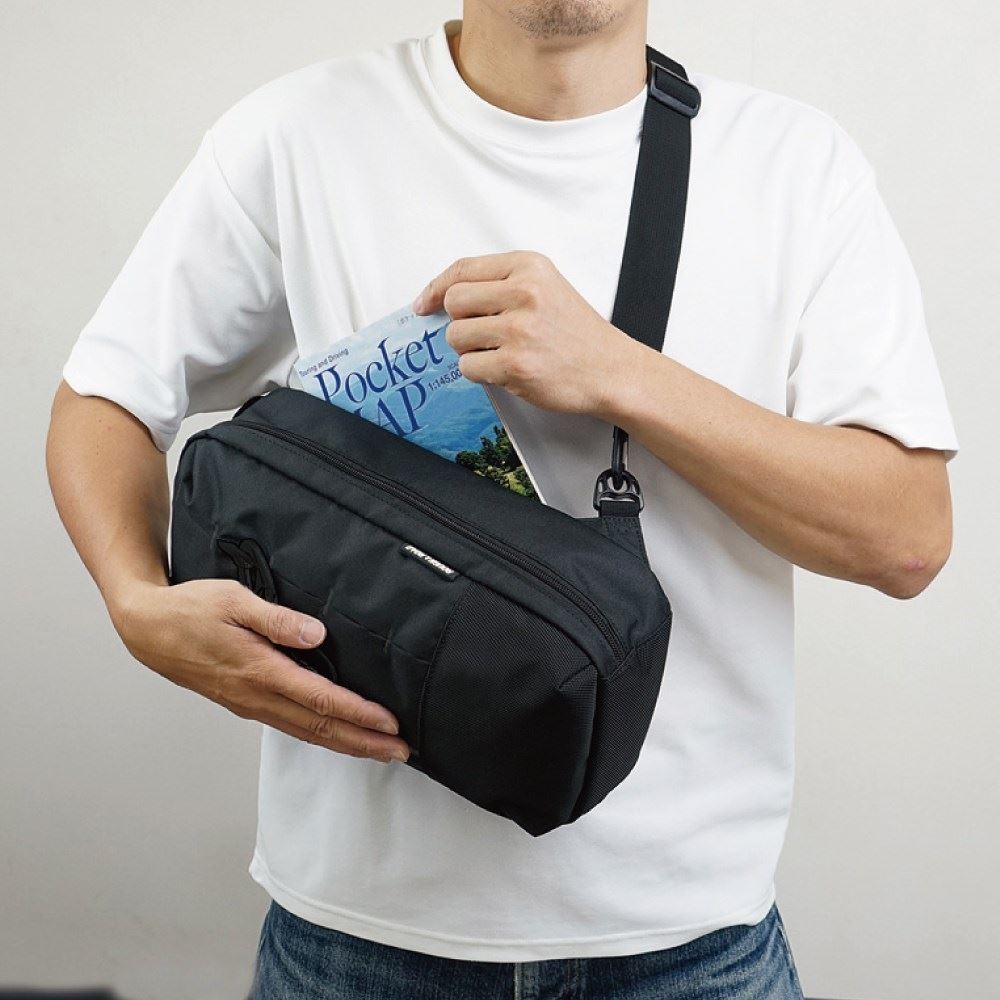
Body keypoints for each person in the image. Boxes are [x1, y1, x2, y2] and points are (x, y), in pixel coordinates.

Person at [47, 2, 958, 997]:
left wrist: (618, 373)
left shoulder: (796, 166)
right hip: (353, 940)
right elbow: (106, 398)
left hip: (693, 943)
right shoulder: (293, 136)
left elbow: (905, 537)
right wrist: (134, 602)